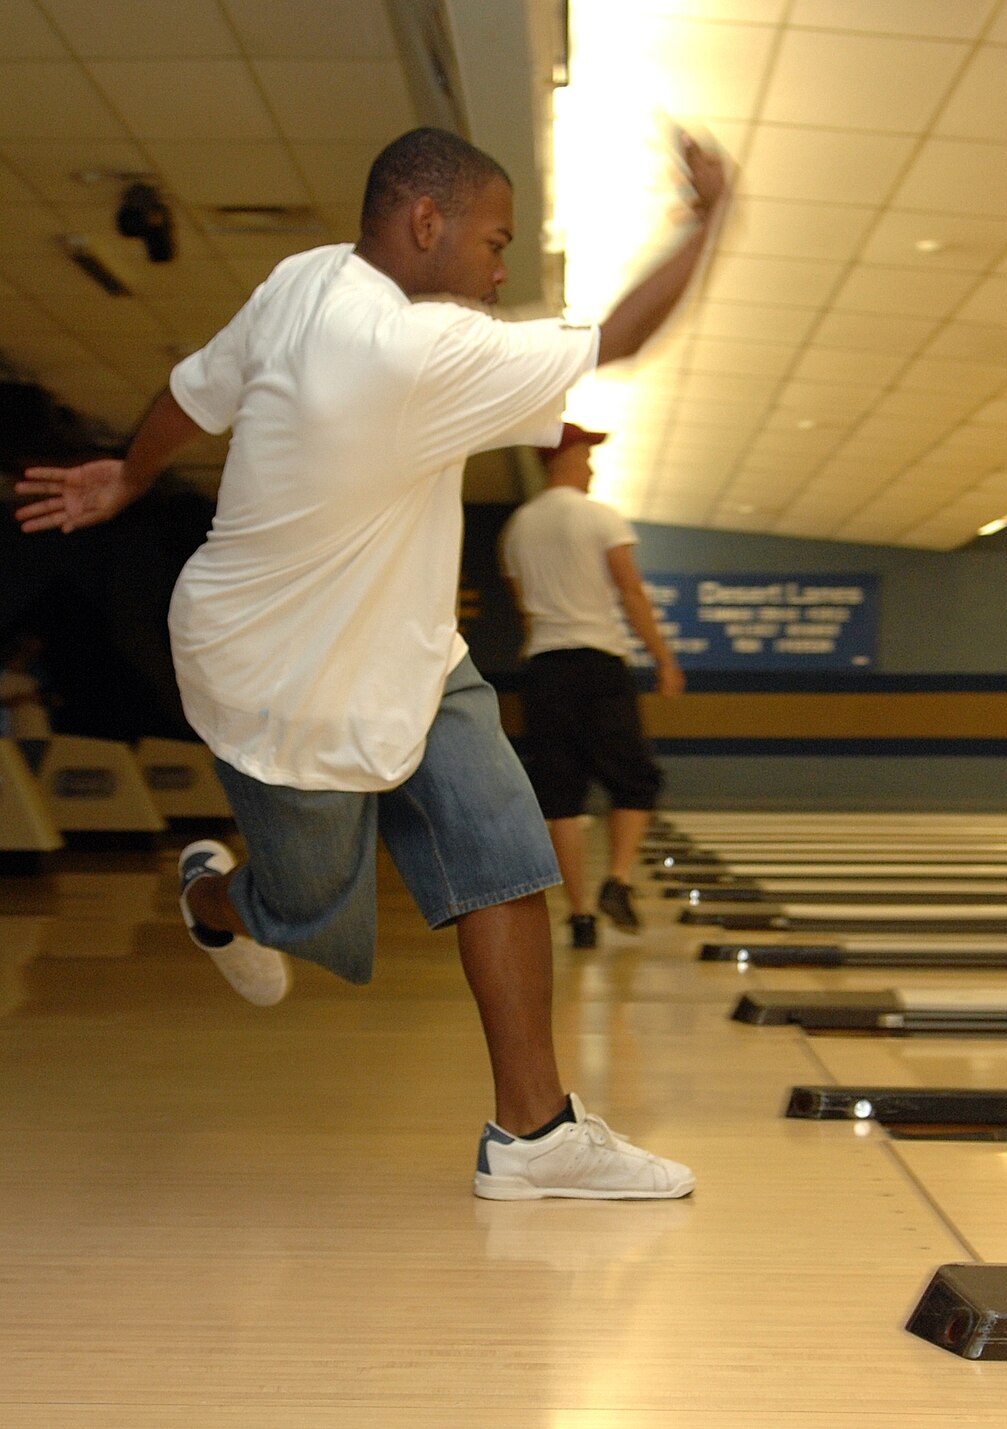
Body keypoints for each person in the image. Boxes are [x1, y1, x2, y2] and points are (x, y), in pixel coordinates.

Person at [13, 126, 731, 1200]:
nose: (498, 270)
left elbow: (193, 391)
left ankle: (534, 1133)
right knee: (311, 911)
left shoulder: (304, 278)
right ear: (424, 222)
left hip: (410, 652)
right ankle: (214, 900)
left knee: (505, 857)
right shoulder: (417, 353)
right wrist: (708, 221)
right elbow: (618, 338)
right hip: (280, 678)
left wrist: (126, 471)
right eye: (493, 242)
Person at [501, 422, 682, 950]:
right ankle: (618, 881)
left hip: (543, 670)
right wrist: (664, 659)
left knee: (561, 796)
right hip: (599, 665)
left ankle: (580, 915)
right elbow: (631, 593)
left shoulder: (517, 528)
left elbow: (524, 611)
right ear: (563, 459)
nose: (592, 466)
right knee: (636, 781)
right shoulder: (601, 517)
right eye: (585, 455)